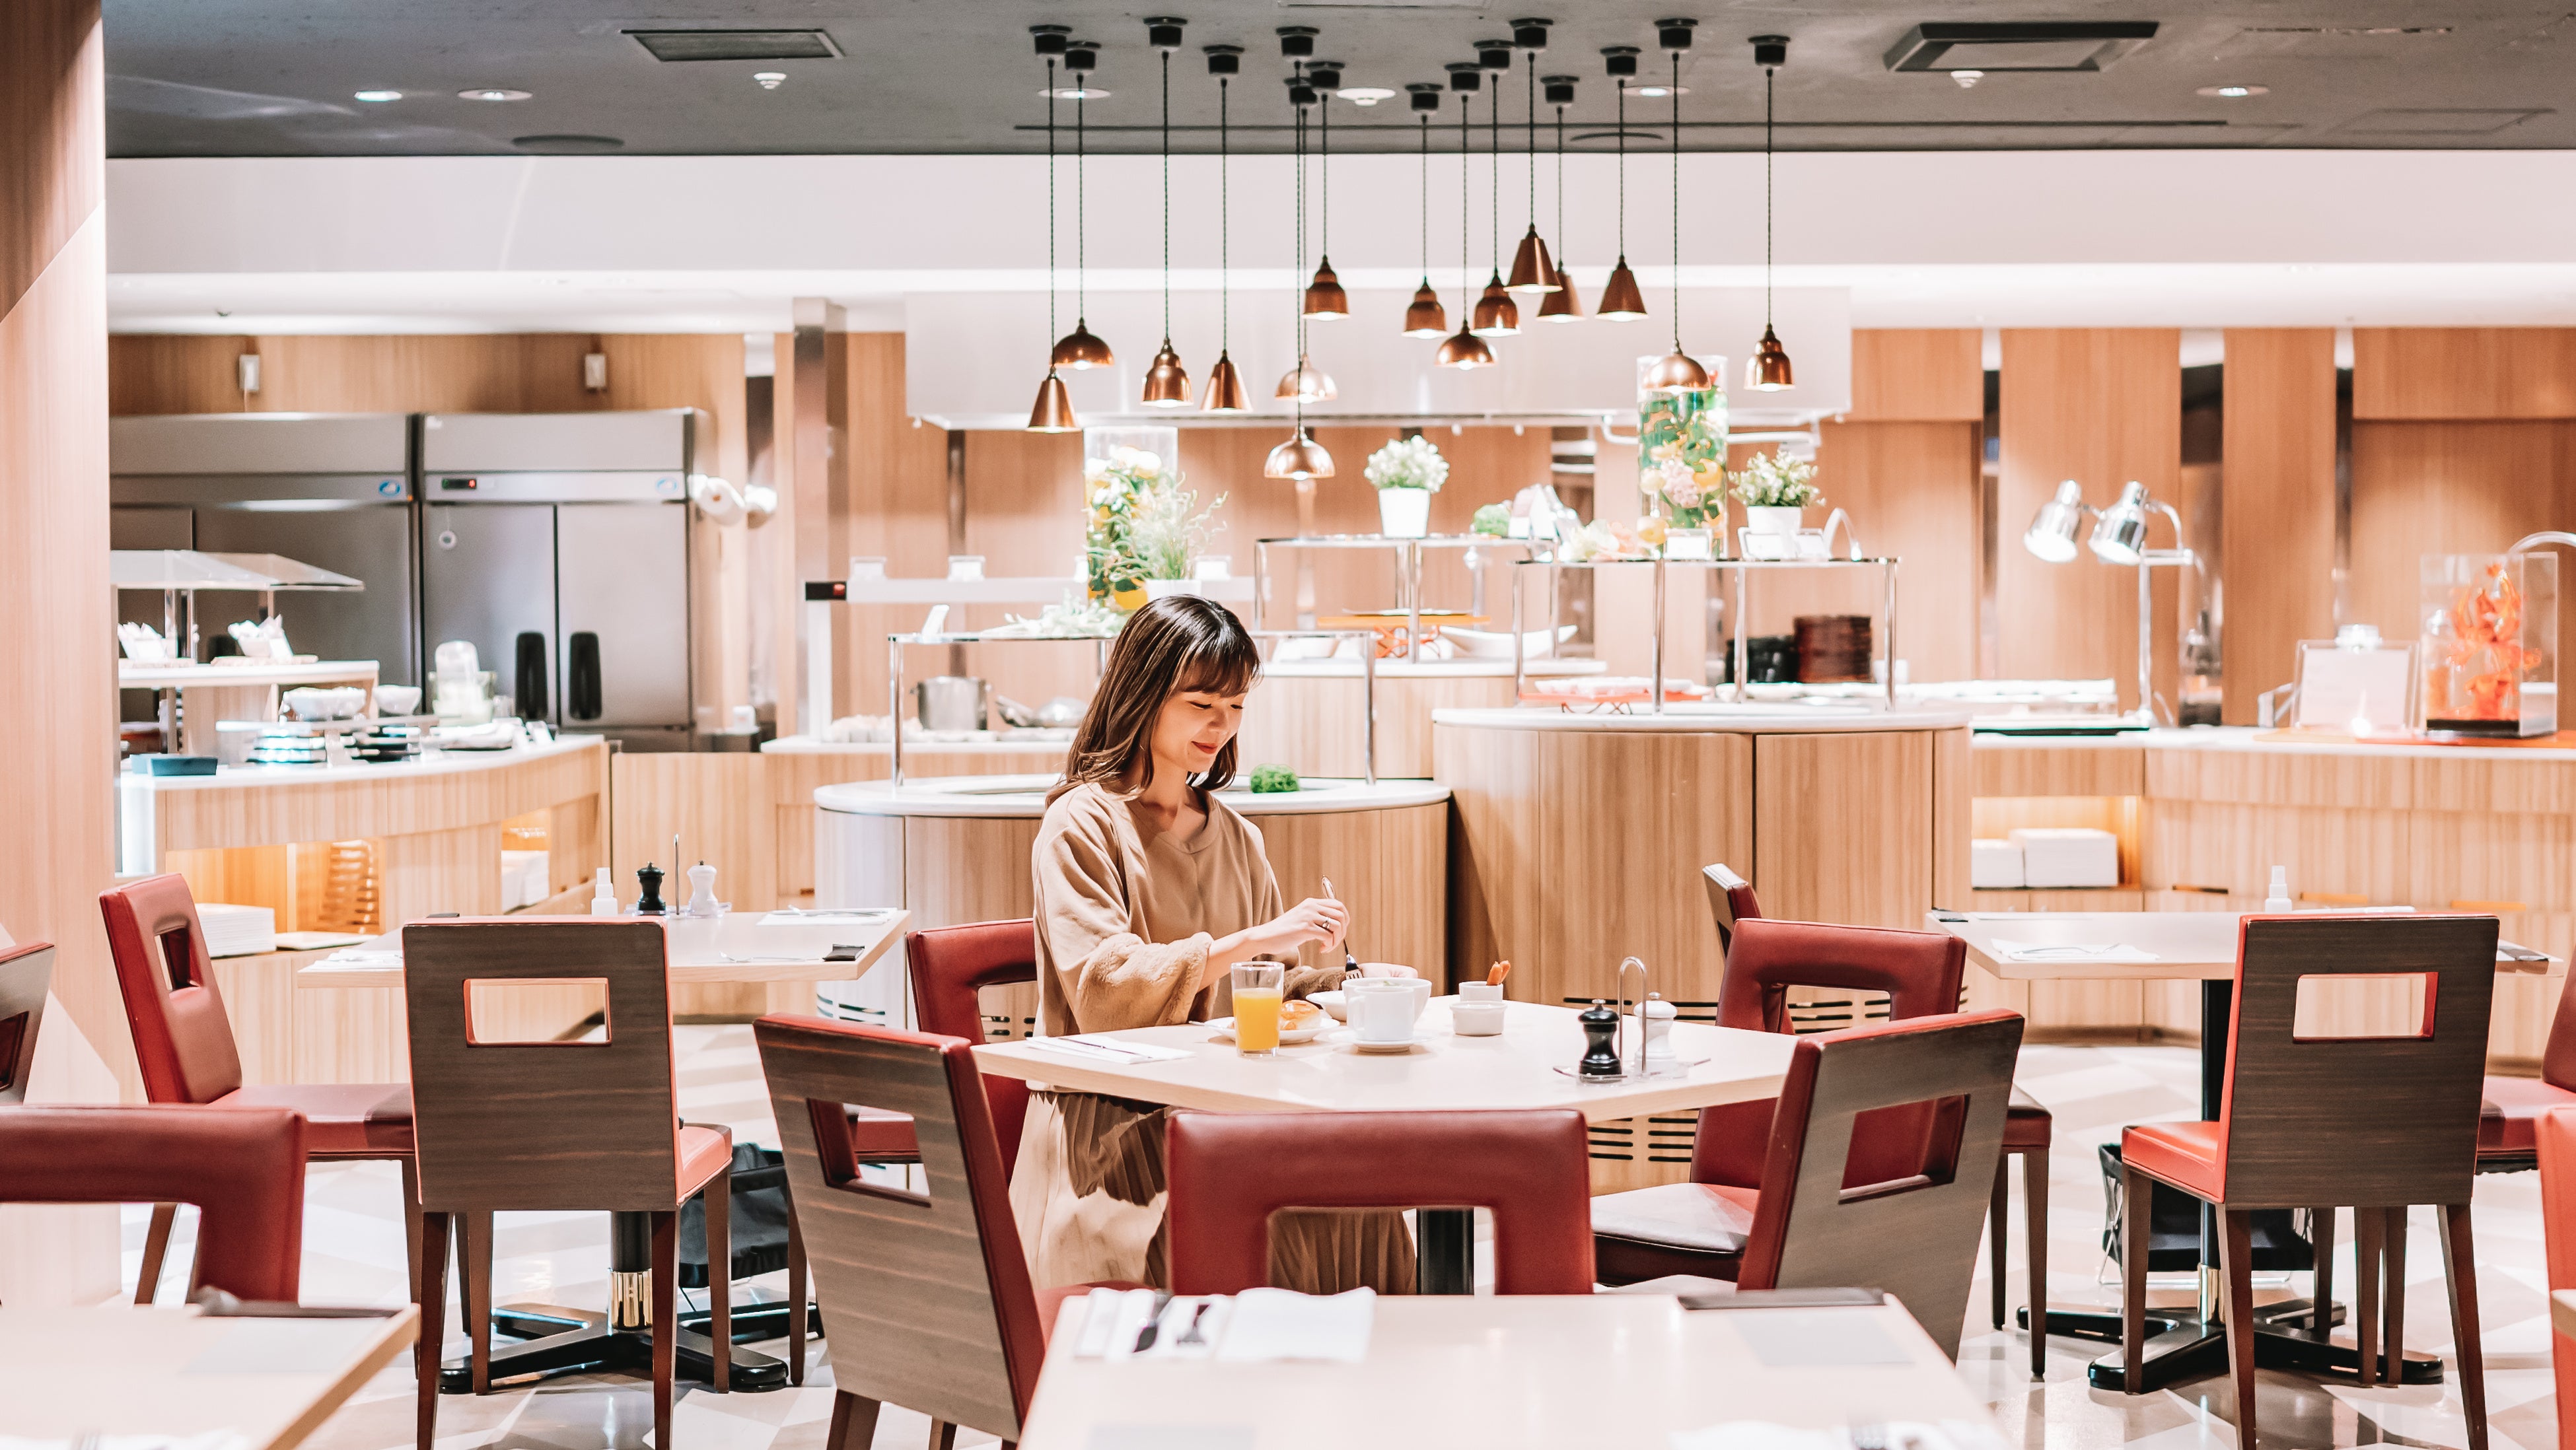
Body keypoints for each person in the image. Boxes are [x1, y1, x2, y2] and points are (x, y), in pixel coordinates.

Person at [1012, 594, 1417, 1293]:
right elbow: (1106, 994)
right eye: (1202, 703)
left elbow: (1270, 989)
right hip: (1114, 1133)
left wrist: (1353, 987)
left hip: (1229, 1112)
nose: (1221, 726)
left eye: (1234, 708)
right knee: (1282, 1225)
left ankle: (1358, 1397)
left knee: (1368, 1206)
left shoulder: (1236, 834)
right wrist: (1257, 936)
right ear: (1143, 692)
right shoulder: (1081, 824)